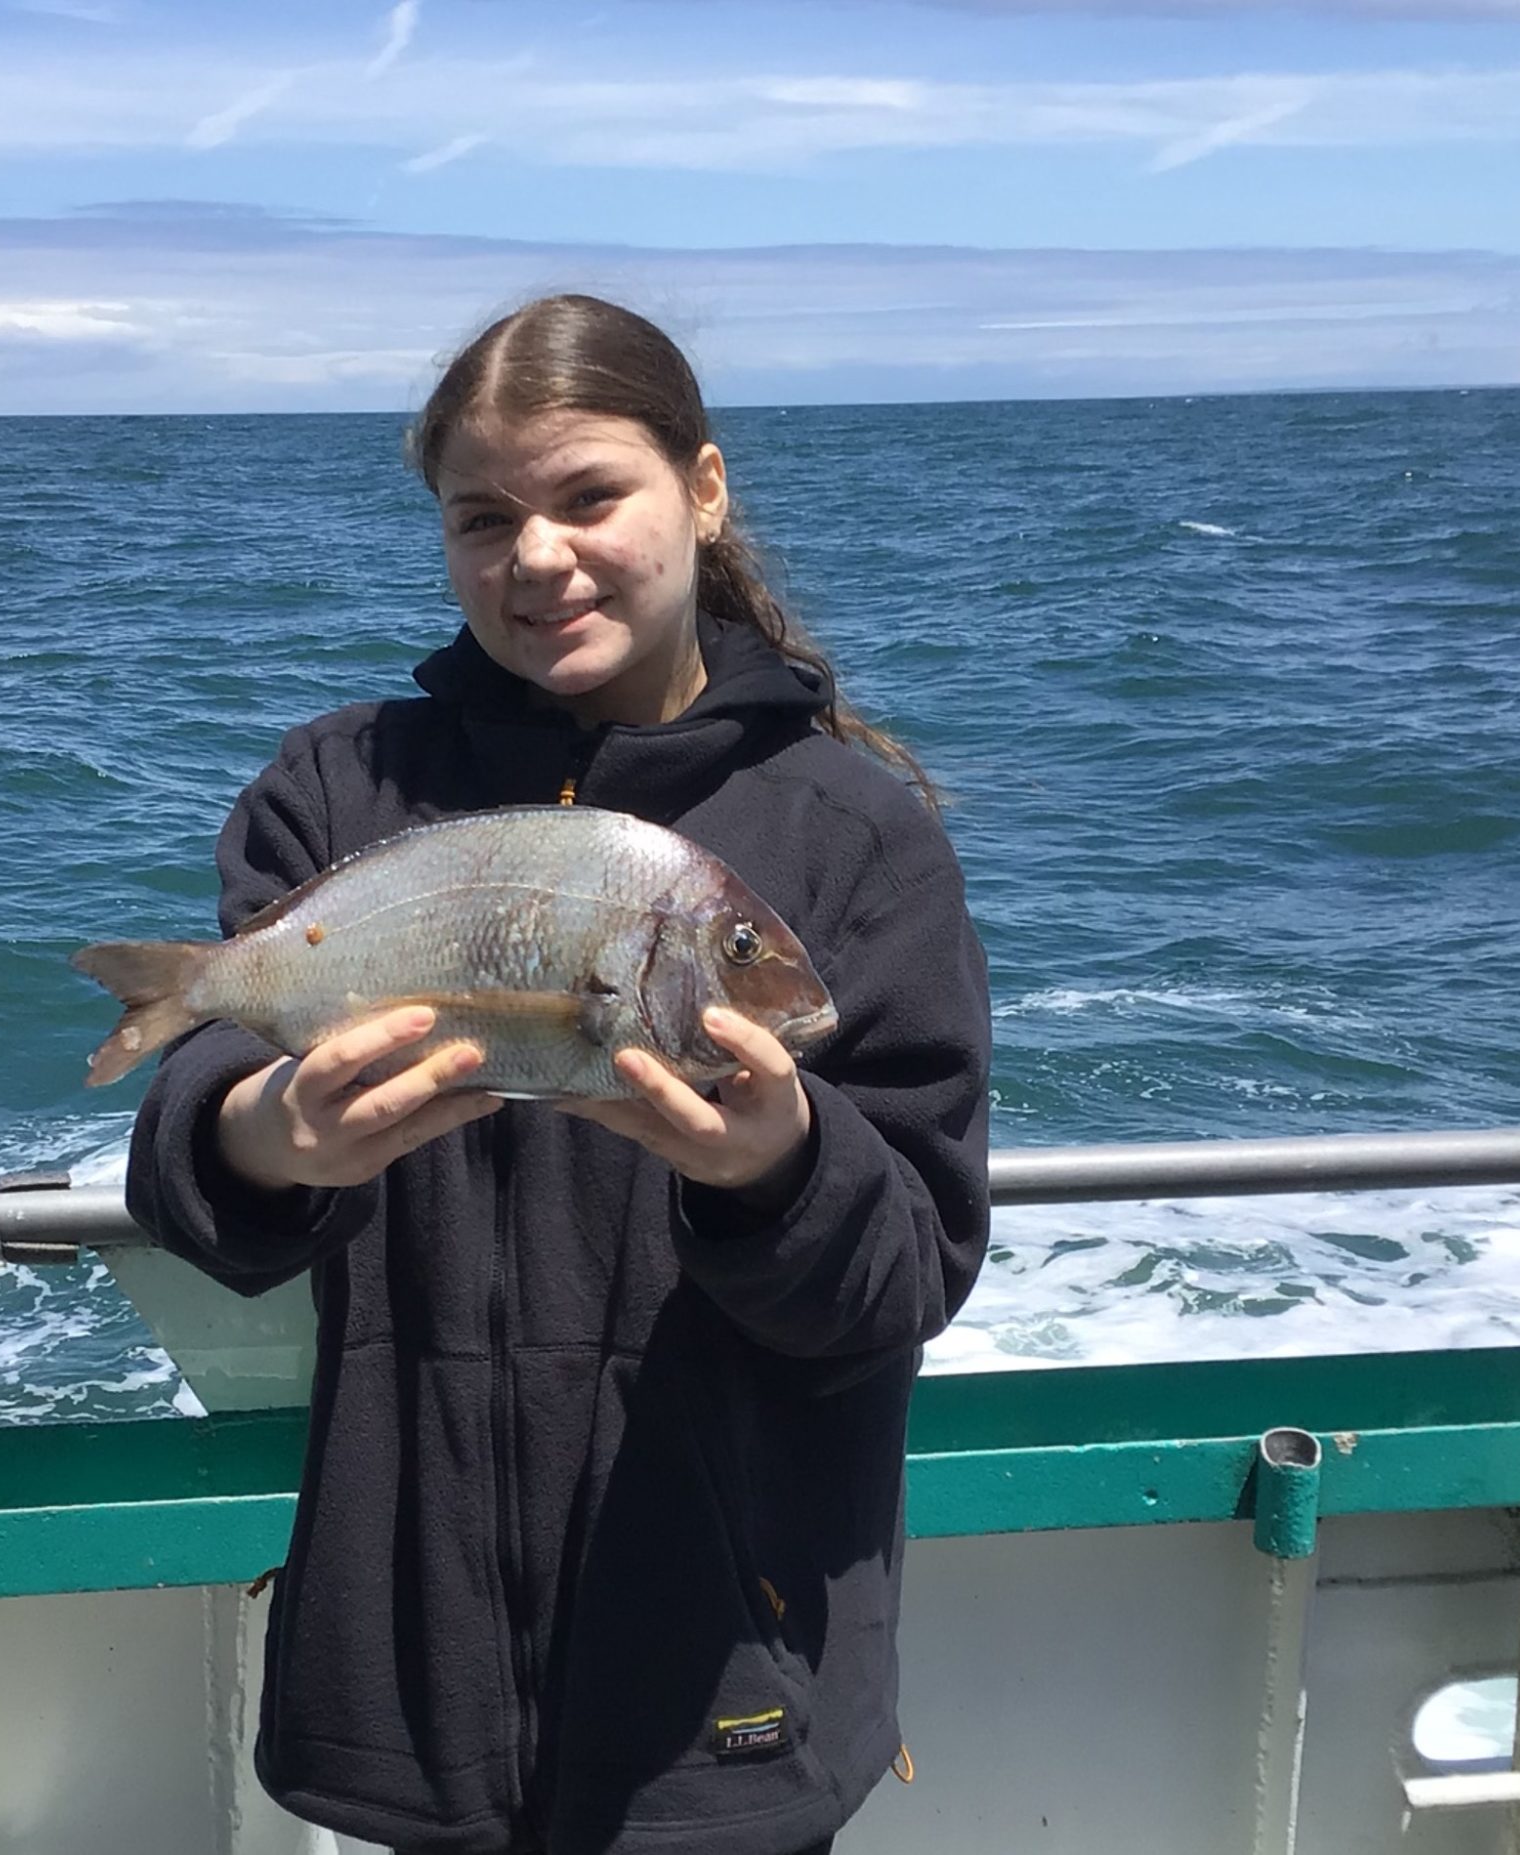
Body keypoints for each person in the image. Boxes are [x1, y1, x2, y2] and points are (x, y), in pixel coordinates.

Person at [123, 294, 991, 1855]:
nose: (537, 557)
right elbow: (197, 1152)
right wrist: (268, 1136)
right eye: (483, 518)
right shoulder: (335, 792)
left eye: (591, 497)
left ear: (703, 492)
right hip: (412, 1668)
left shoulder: (860, 837)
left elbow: (911, 1268)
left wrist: (776, 1173)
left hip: (731, 1678)